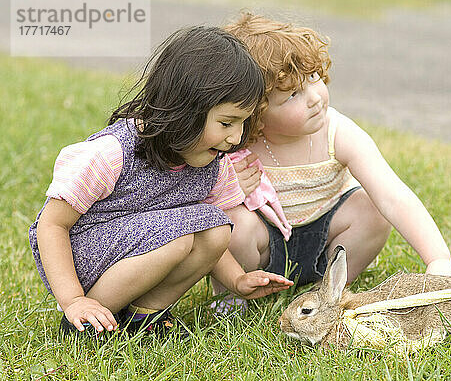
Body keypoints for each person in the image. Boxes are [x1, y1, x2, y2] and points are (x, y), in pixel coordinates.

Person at [28, 26, 293, 337]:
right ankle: (86, 322)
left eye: (242, 122)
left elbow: (207, 234)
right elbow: (51, 226)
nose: (235, 137)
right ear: (184, 110)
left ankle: (144, 318)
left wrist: (236, 280)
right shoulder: (111, 154)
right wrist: (73, 299)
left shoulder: (212, 163)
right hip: (83, 260)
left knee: (215, 228)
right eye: (226, 123)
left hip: (146, 246)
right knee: (180, 235)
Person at [215, 13, 451, 304]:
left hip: (328, 237)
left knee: (371, 210)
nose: (315, 97)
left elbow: (394, 196)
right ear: (255, 110)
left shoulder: (337, 131)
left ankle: (327, 291)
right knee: (231, 224)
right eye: (293, 94)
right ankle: (233, 296)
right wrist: (227, 188)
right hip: (264, 246)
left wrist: (438, 260)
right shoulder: (234, 141)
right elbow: (196, 200)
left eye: (313, 77)